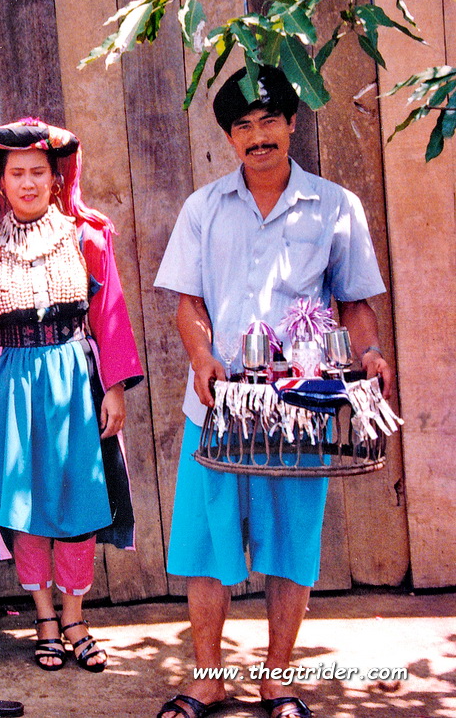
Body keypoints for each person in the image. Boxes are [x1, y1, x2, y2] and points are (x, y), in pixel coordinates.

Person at [153, 66, 395, 718]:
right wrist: (201, 353)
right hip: (219, 403)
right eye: (243, 127)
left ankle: (277, 678)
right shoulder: (203, 209)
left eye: (269, 123)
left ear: (292, 124)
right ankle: (208, 678)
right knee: (208, 545)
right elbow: (188, 303)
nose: (258, 137)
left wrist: (369, 354)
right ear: (230, 138)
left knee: (290, 544)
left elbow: (356, 304)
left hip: (299, 405)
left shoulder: (336, 207)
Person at [0, 119, 144, 674]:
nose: (27, 183)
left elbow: (108, 315)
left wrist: (113, 388)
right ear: (0, 182)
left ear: (56, 177)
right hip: (10, 379)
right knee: (24, 501)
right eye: (16, 173)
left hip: (72, 375)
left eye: (37, 172)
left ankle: (75, 616)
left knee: (77, 496)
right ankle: (42, 617)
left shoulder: (86, 236)